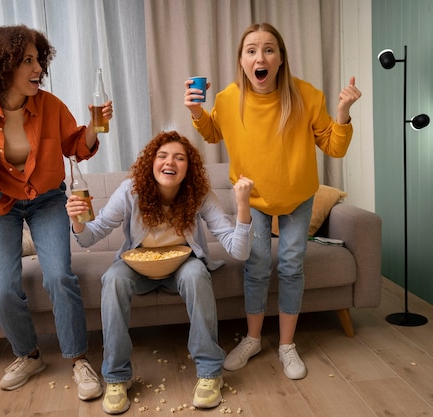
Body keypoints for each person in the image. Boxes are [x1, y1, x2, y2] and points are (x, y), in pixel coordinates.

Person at [183, 22, 362, 380]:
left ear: (280, 59)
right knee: (257, 266)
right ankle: (252, 339)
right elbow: (214, 131)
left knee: (292, 266)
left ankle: (286, 345)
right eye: (251, 50)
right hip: (253, 199)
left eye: (268, 49)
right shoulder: (229, 98)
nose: (260, 57)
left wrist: (342, 112)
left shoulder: (306, 95)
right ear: (242, 60)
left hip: (297, 197)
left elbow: (335, 147)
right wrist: (196, 112)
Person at [0, 25, 112, 399]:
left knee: (59, 277)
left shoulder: (50, 105)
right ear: (3, 66)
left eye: (39, 59)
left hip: (48, 201)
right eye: (28, 60)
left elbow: (76, 147)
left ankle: (78, 358)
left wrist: (97, 126)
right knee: (3, 289)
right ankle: (28, 354)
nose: (38, 67)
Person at [66, 131, 254, 414]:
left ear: (188, 168)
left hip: (183, 264)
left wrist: (242, 205)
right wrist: (78, 221)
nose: (170, 162)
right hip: (137, 265)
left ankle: (209, 373)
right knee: (113, 278)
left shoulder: (199, 194)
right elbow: (90, 236)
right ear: (151, 162)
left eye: (180, 158)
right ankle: (117, 378)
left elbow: (238, 250)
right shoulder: (131, 190)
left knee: (196, 275)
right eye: (163, 156)